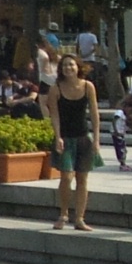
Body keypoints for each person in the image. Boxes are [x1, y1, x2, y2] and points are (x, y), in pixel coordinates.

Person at [47, 54, 100, 231]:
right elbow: (54, 115)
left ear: (78, 67)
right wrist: (57, 137)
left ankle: (80, 218)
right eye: (64, 65)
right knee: (66, 176)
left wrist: (96, 139)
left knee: (82, 178)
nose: (68, 68)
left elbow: (94, 114)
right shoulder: (55, 89)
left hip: (83, 137)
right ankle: (63, 214)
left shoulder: (88, 86)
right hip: (65, 138)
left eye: (71, 65)